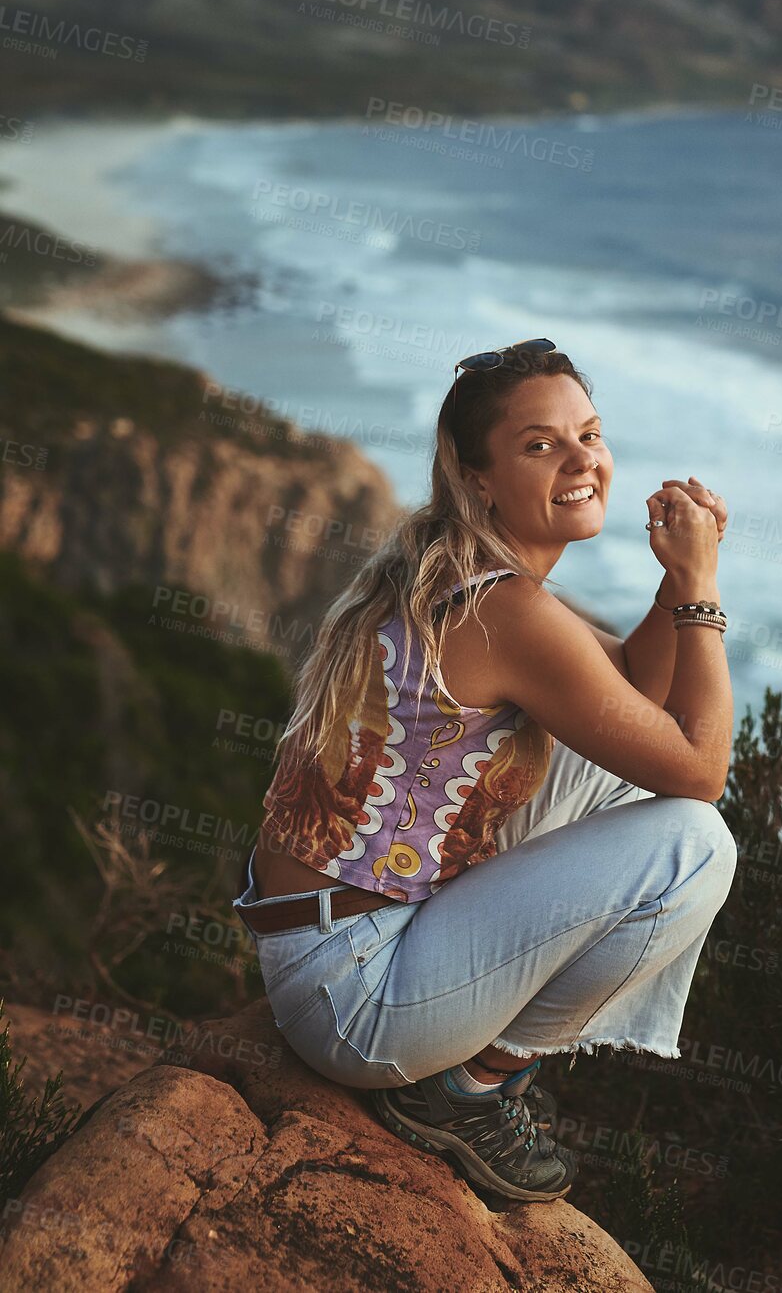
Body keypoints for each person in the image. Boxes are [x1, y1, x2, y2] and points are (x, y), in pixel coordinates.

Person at [233, 337, 737, 1203]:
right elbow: (699, 770)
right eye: (542, 444)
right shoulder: (506, 609)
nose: (582, 460)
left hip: (330, 941)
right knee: (694, 841)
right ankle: (469, 1091)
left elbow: (625, 695)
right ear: (477, 479)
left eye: (591, 433)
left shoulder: (470, 576)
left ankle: (460, 1071)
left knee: (620, 777)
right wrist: (699, 591)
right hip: (356, 994)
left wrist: (666, 593)